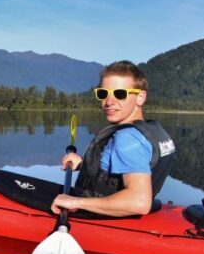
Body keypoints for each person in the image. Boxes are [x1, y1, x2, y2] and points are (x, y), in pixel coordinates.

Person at [51, 61, 176, 218]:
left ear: (140, 97)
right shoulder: (149, 131)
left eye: (120, 94)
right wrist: (83, 165)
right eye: (103, 94)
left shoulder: (127, 139)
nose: (109, 102)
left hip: (105, 218)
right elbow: (117, 176)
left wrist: (75, 202)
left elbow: (139, 202)